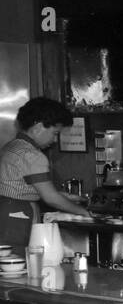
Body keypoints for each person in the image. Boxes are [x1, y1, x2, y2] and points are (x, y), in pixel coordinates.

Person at [0, 97, 92, 246]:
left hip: (5, 212)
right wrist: (82, 212)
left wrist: (63, 196)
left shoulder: (12, 147)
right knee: (20, 262)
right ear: (38, 127)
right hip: (17, 216)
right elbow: (50, 198)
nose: (55, 140)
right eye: (55, 133)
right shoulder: (33, 155)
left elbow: (22, 186)